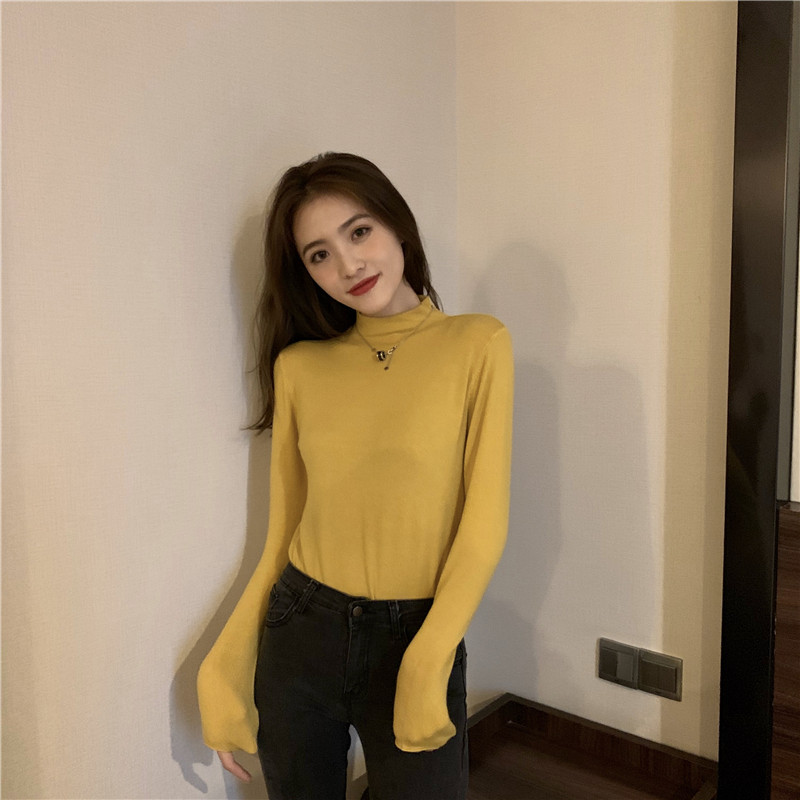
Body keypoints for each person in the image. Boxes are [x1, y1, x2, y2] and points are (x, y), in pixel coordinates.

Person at [197, 152, 514, 800]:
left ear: (397, 225)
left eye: (359, 232)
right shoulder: (299, 367)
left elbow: (483, 526)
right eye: (319, 254)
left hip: (415, 633)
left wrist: (429, 655)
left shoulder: (478, 344)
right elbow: (282, 535)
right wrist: (224, 662)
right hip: (301, 628)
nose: (347, 265)